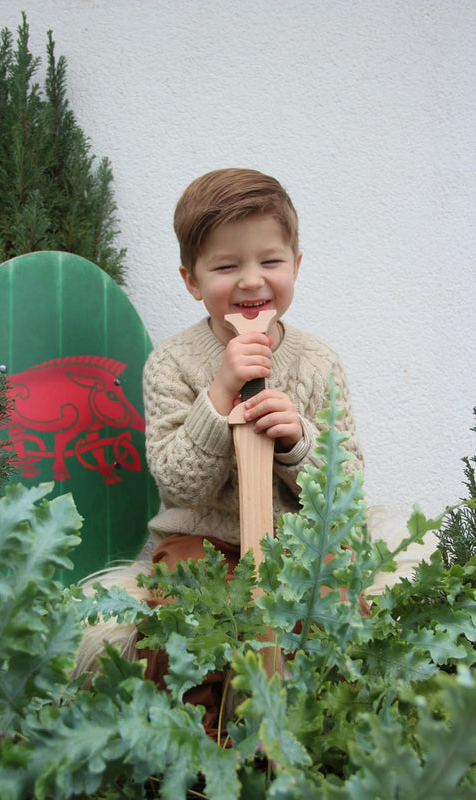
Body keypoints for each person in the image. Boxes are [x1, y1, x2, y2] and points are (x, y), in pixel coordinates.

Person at [139, 168, 366, 728]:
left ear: (296, 265)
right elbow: (178, 481)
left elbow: (347, 487)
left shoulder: (318, 362)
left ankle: (321, 732)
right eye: (224, 266)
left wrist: (296, 440)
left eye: (270, 261)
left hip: (297, 544)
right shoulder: (171, 363)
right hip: (203, 538)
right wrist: (217, 396)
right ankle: (194, 745)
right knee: (181, 622)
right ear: (192, 280)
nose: (250, 282)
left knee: (339, 607)